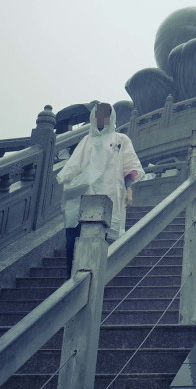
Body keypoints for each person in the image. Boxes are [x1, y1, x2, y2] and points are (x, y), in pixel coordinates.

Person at [57, 102, 144, 276]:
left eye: (105, 114)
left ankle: (98, 275)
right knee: (73, 235)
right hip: (85, 194)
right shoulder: (87, 140)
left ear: (111, 117)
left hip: (109, 193)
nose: (101, 118)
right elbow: (73, 165)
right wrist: (65, 178)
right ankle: (72, 277)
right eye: (98, 114)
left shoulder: (120, 139)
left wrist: (129, 189)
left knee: (103, 235)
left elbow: (129, 166)